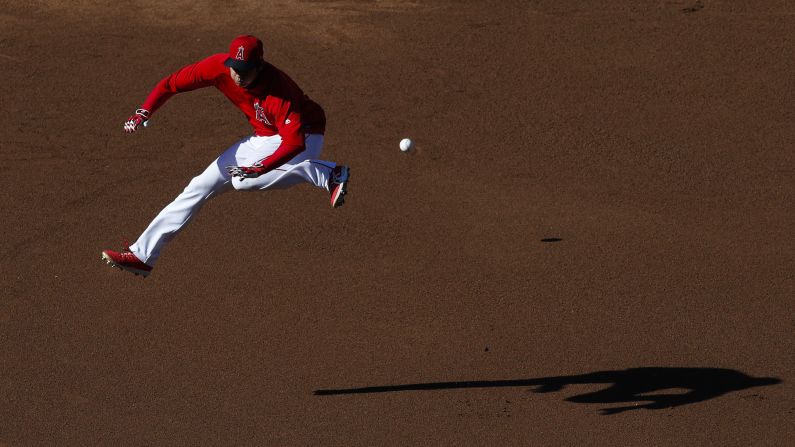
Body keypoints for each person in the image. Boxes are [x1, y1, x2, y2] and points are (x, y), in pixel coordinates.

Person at [101, 35, 349, 277]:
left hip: (305, 136)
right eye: (235, 68)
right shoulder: (218, 68)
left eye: (245, 70)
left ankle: (329, 173)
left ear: (259, 66)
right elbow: (170, 84)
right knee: (199, 185)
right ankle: (141, 256)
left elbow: (293, 142)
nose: (238, 75)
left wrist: (260, 168)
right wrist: (144, 111)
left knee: (243, 181)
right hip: (263, 137)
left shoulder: (279, 90)